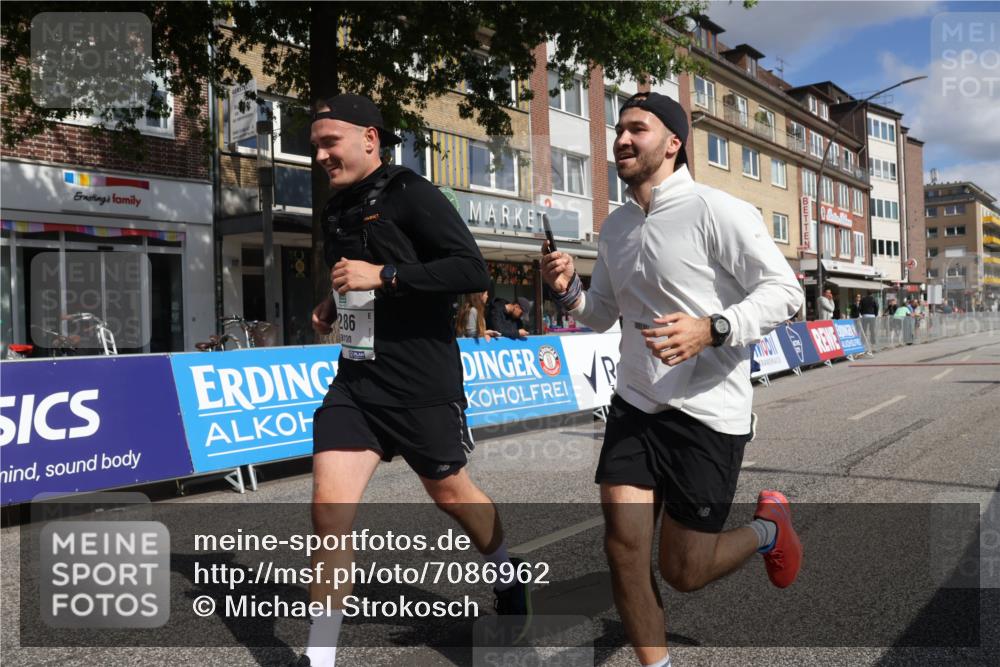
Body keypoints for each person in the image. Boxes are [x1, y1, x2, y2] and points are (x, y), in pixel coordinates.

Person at [541, 92, 804, 667]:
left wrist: (712, 328)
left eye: (638, 128)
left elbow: (787, 293)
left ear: (674, 143)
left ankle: (768, 529)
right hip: (636, 404)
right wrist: (568, 290)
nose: (622, 140)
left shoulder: (719, 210)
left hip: (708, 412)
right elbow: (602, 313)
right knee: (624, 552)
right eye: (619, 130)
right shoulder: (614, 227)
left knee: (684, 571)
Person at [301, 94, 528, 667]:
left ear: (370, 138)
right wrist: (334, 304)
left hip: (422, 381)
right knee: (329, 509)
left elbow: (470, 270)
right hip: (356, 383)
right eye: (316, 146)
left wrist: (385, 276)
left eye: (331, 143)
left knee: (451, 495)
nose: (322, 155)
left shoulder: (410, 192)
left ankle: (506, 571)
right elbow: (352, 278)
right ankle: (319, 656)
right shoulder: (335, 209)